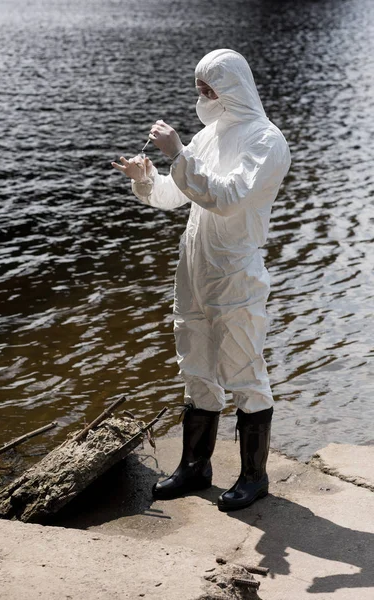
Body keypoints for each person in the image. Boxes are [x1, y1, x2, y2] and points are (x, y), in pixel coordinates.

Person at [111, 48, 291, 511]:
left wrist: (179, 153)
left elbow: (227, 198)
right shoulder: (210, 135)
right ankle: (195, 467)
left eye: (211, 88)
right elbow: (178, 194)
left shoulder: (267, 141)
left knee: (243, 369)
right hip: (193, 269)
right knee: (196, 366)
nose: (204, 97)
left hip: (234, 271)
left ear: (235, 86)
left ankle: (254, 477)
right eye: (200, 89)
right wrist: (146, 177)